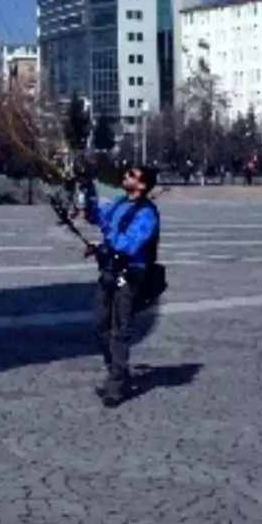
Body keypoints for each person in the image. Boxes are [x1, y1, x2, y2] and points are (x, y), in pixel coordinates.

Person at [85, 164, 161, 407]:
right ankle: (116, 371)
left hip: (130, 276)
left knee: (120, 329)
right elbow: (97, 216)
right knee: (100, 325)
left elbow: (128, 245)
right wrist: (87, 192)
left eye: (132, 175)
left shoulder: (147, 213)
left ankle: (117, 383)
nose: (125, 176)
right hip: (108, 272)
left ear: (142, 184)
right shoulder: (119, 203)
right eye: (126, 173)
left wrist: (107, 238)